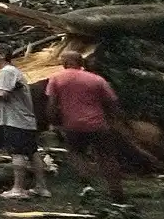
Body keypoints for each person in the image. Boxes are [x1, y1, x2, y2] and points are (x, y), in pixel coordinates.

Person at [0, 43, 48, 199]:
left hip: (15, 120)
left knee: (17, 153)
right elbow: (6, 92)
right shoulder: (11, 72)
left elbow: (2, 94)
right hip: (24, 120)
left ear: (2, 55)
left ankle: (18, 189)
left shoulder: (7, 71)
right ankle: (41, 187)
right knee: (32, 153)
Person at [44, 49, 126, 201]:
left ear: (66, 62)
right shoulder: (96, 79)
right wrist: (114, 120)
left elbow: (52, 104)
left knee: (76, 153)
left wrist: (53, 121)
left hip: (73, 125)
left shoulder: (56, 79)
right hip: (98, 124)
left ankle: (87, 186)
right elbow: (112, 102)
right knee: (107, 157)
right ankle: (117, 192)